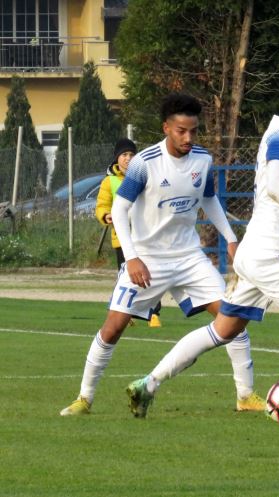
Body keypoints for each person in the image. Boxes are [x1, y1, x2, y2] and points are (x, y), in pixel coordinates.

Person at [124, 74, 279, 419]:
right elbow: (276, 185)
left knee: (222, 330)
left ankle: (148, 383)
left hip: (254, 253)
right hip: (272, 252)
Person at [60, 94, 265, 416]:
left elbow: (209, 199)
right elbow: (120, 209)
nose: (188, 137)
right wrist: (132, 258)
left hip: (189, 257)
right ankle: (84, 399)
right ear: (166, 128)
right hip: (147, 259)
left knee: (234, 318)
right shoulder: (144, 163)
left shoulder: (203, 159)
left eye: (193, 131)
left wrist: (230, 238)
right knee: (113, 327)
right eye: (181, 131)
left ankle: (246, 396)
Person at [96, 138, 163, 328]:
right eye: (124, 155)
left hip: (146, 237)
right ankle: (126, 313)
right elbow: (102, 205)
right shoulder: (109, 181)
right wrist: (106, 215)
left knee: (151, 275)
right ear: (117, 158)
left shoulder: (145, 177)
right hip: (122, 240)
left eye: (132, 155)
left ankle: (153, 313)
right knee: (127, 278)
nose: (128, 158)